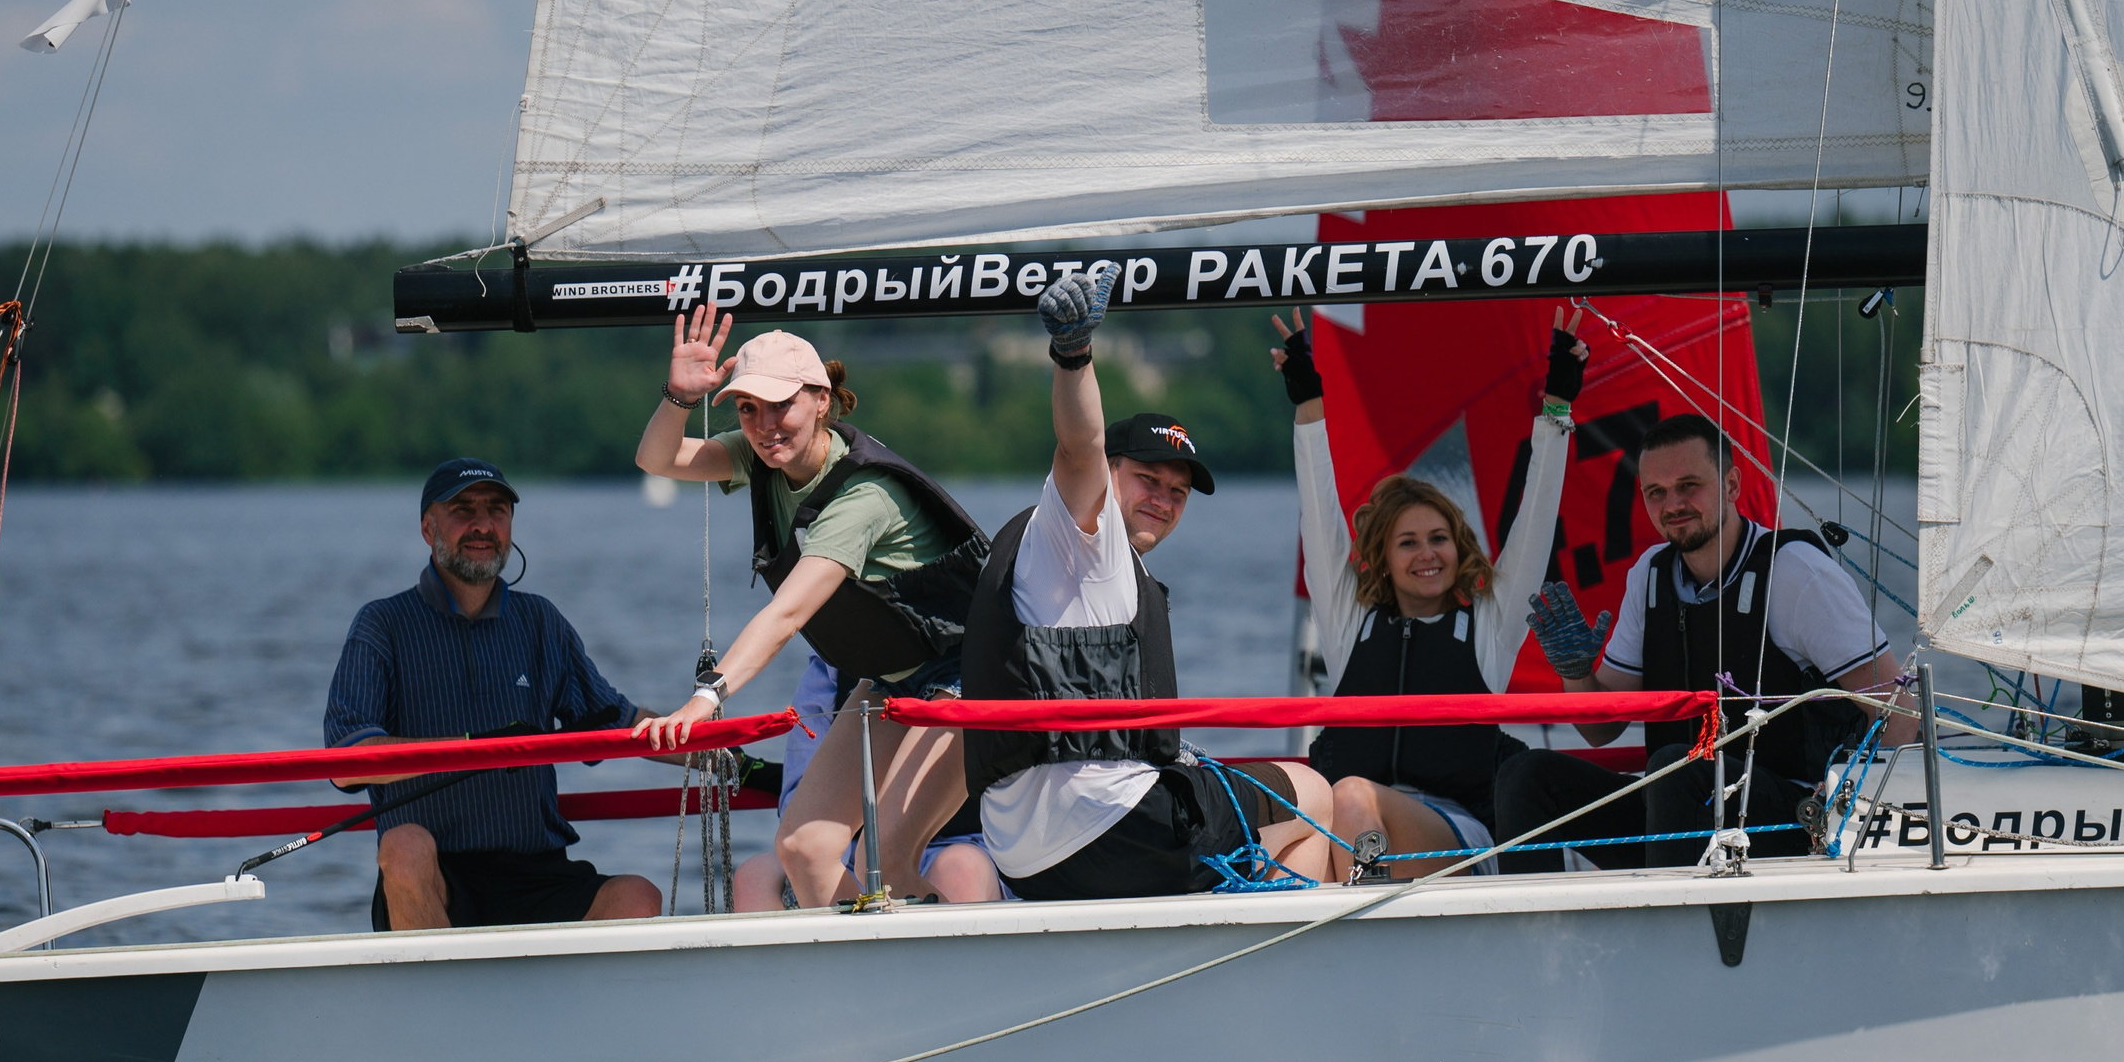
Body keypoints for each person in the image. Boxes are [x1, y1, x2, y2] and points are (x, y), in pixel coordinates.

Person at [963, 265, 1339, 898]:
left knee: (1221, 801)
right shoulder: (1083, 532)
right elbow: (1078, 448)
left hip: (1022, 851)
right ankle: (1273, 977)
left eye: (1179, 492)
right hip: (1110, 823)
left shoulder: (1061, 557)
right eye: (1148, 479)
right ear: (1110, 476)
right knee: (1313, 797)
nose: (1164, 499)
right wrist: (1073, 355)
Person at [634, 312, 998, 907]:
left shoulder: (865, 495)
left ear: (822, 400)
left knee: (896, 853)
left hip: (972, 676)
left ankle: (937, 983)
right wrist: (678, 396)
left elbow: (788, 615)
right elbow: (658, 460)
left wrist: (706, 700)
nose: (764, 425)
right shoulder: (760, 460)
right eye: (747, 408)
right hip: (892, 679)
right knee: (803, 848)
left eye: (780, 405)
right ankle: (870, 981)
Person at [1494, 413, 1918, 871]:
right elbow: (1603, 730)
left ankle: (1670, 929)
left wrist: (1852, 811)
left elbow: (1900, 717)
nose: (1673, 503)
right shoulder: (1649, 576)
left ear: (1732, 485)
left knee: (1680, 767)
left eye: (1689, 485)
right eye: (1656, 492)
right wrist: (1575, 673)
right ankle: (1534, 937)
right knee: (1526, 775)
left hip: (1791, 823)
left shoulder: (1795, 573)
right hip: (1676, 808)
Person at [1283, 307, 1586, 879]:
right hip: (1356, 828)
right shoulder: (1353, 625)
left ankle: (1361, 928)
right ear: (1381, 560)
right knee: (1296, 833)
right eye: (1408, 543)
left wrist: (1557, 409)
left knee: (1347, 797)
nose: (1427, 554)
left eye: (1439, 539)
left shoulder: (1489, 628)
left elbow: (1536, 519)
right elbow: (1321, 521)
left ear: (1460, 547)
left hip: (1457, 835)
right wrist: (1308, 405)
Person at [325, 458, 665, 929]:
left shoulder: (541, 621)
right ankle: (438, 999)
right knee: (401, 847)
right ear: (428, 528)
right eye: (463, 510)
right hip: (436, 876)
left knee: (638, 896)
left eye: (497, 510)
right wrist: (471, 749)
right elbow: (345, 765)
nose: (482, 525)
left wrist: (729, 753)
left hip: (538, 873)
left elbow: (622, 723)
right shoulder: (381, 624)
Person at [726, 652, 1003, 909]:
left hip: (968, 841)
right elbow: (803, 783)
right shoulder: (831, 668)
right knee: (759, 874)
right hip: (851, 850)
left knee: (959, 870)